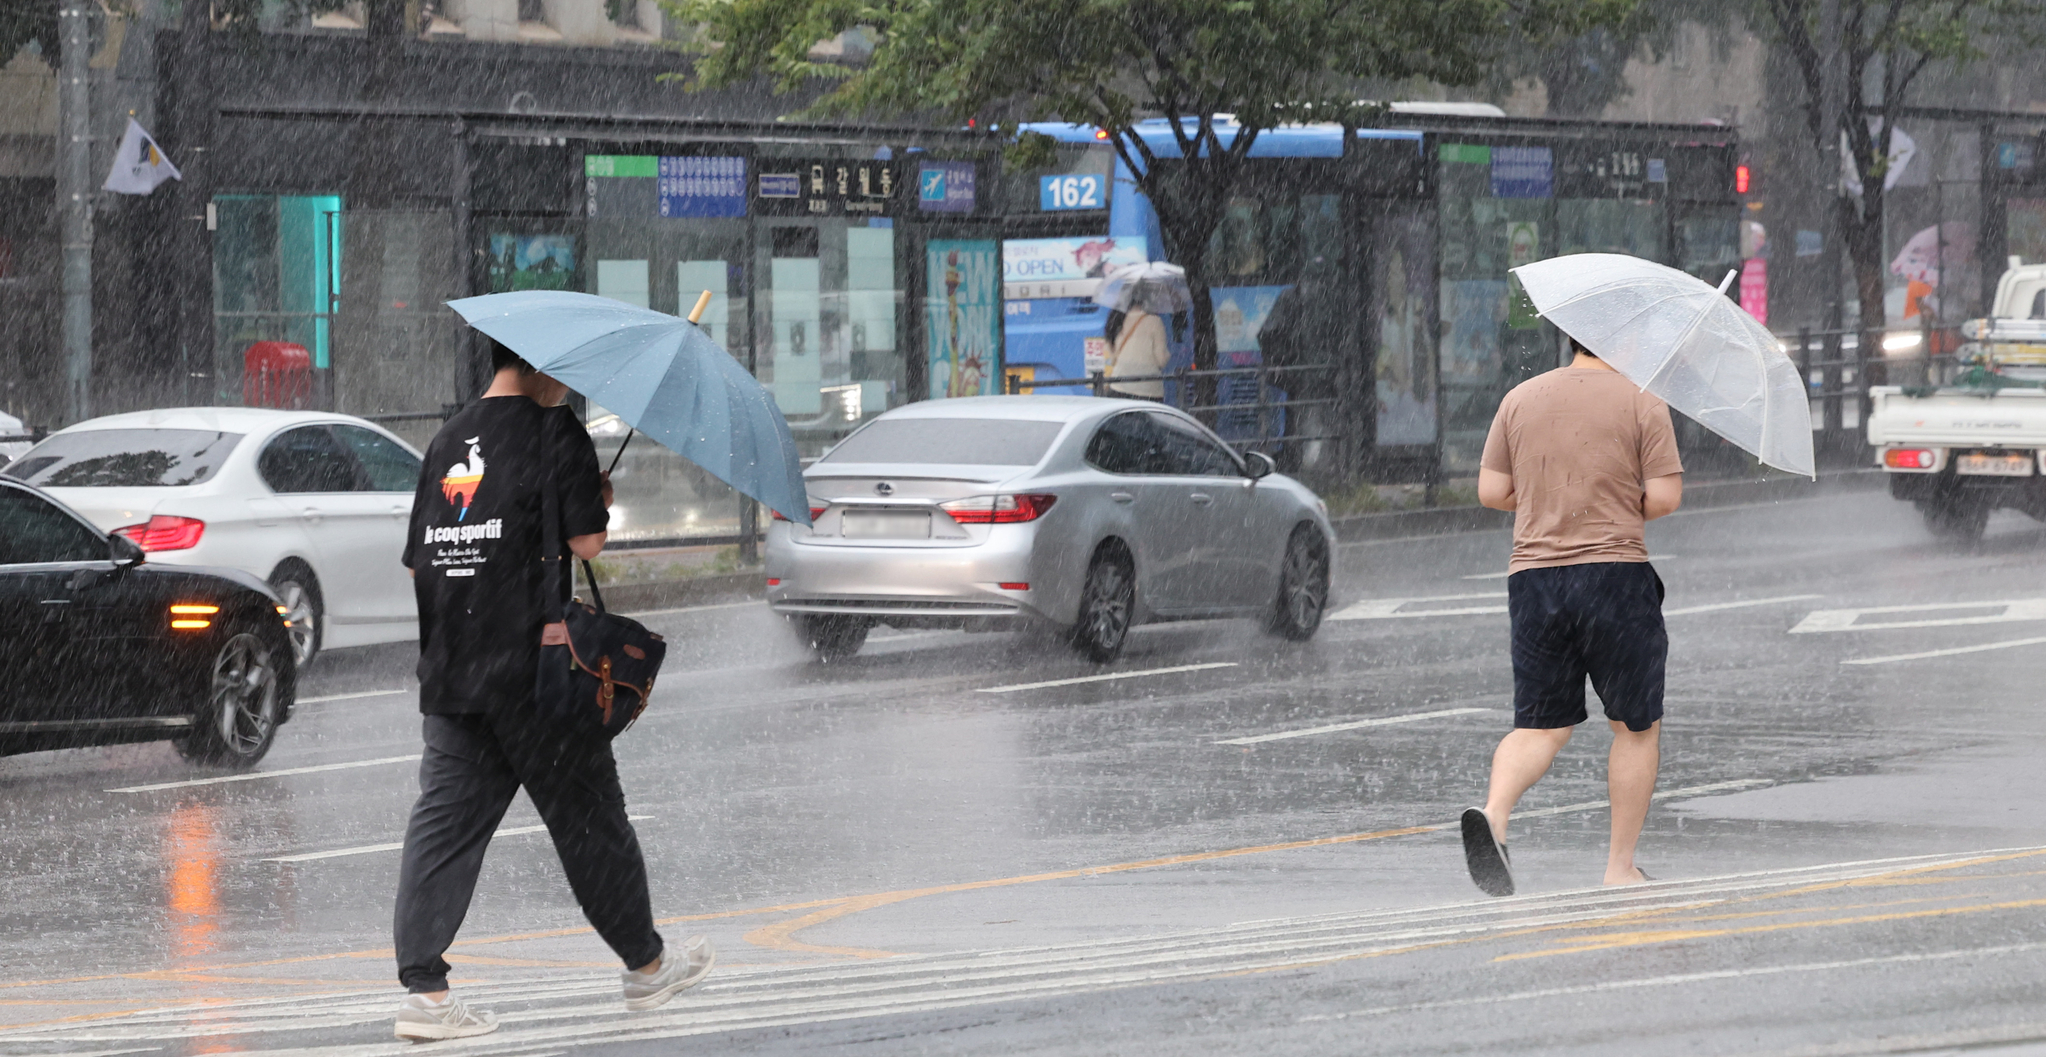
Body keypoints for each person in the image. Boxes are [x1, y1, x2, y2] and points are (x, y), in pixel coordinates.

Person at [390, 340, 714, 1041]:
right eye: (562, 372)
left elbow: (421, 563)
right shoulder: (553, 430)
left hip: (452, 671)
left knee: (443, 831)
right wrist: (592, 499)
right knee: (591, 820)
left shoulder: (448, 436)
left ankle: (424, 991)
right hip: (535, 675)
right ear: (539, 367)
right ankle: (647, 967)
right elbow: (590, 542)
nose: (567, 384)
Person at [1460, 334, 1684, 897]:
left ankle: (1495, 813)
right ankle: (1620, 867)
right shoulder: (1642, 400)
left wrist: (1546, 495)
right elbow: (1663, 498)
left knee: (1539, 726)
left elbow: (1491, 490)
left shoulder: (1521, 397)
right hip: (1615, 576)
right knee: (1634, 727)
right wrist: (1607, 497)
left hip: (1534, 580)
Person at [1106, 286, 1171, 400]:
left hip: (1119, 386)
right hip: (1147, 389)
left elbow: (1112, 358)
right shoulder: (1154, 321)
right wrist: (1168, 355)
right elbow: (1161, 360)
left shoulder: (1116, 319)